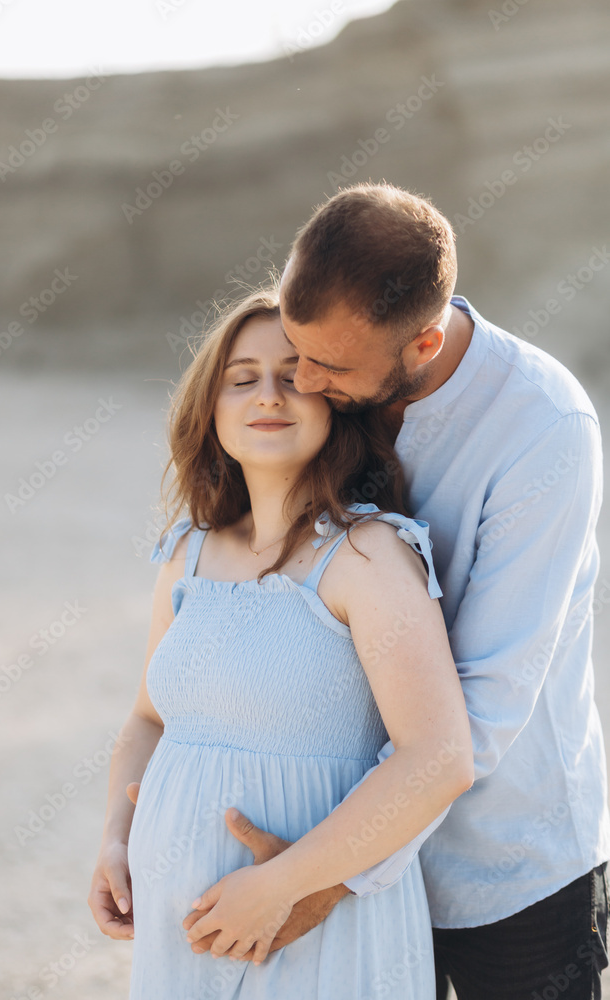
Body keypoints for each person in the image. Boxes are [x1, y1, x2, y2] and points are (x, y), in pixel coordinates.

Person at [184, 183, 610, 999]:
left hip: (504, 867)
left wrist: (327, 879)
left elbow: (484, 705)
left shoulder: (543, 429)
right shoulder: (338, 374)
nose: (302, 380)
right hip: (333, 833)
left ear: (421, 344)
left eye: (328, 366)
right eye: (297, 350)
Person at [87, 288, 474, 998]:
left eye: (295, 375)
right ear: (211, 407)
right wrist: (117, 835)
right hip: (184, 931)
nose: (269, 394)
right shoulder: (187, 554)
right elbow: (147, 718)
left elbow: (438, 758)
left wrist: (279, 886)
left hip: (316, 928)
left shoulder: (369, 556)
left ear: (334, 401)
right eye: (241, 378)